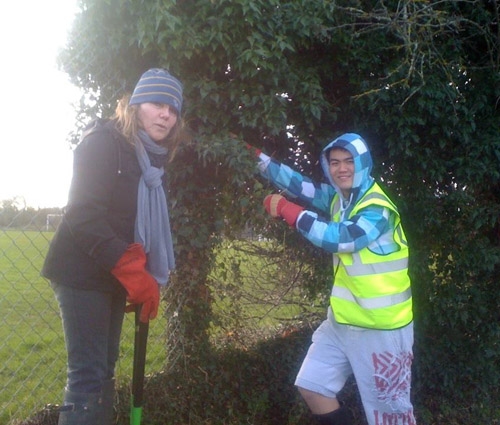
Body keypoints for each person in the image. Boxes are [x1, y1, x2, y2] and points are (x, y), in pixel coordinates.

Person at [42, 68, 185, 425]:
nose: (166, 114)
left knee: (105, 369)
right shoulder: (102, 142)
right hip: (80, 271)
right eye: (157, 104)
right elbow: (83, 213)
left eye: (173, 109)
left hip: (112, 274)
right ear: (136, 106)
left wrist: (137, 269)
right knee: (87, 373)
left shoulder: (148, 158)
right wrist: (131, 268)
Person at [255, 133, 416, 425]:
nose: (341, 169)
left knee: (391, 415)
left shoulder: (377, 208)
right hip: (342, 322)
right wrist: (258, 160)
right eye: (335, 162)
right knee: (313, 386)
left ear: (363, 164)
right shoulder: (339, 200)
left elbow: (339, 238)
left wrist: (287, 209)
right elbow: (299, 185)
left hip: (382, 329)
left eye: (349, 162)